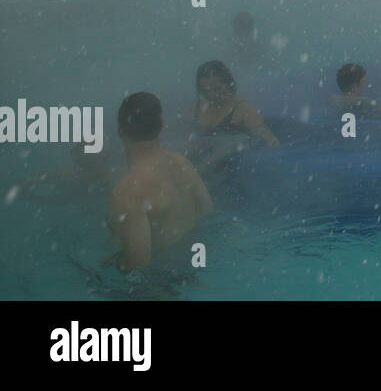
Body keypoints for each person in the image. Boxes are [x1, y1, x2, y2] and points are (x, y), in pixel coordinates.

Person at [107, 93, 212, 273]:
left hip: (161, 283)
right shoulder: (181, 162)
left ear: (119, 131)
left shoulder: (129, 190)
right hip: (191, 267)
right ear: (161, 126)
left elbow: (137, 271)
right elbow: (206, 211)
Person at [188, 61, 279, 159]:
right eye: (206, 91)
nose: (211, 95)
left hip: (229, 159)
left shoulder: (242, 108)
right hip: (206, 153)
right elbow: (183, 132)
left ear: (227, 84)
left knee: (220, 153)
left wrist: (271, 142)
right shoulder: (196, 108)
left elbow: (262, 131)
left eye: (216, 89)